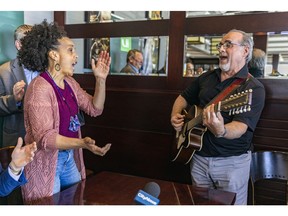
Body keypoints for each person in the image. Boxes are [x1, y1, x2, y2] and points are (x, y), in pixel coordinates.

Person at [17, 20, 112, 202]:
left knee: (75, 201)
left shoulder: (69, 83)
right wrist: (81, 143)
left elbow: (95, 108)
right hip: (45, 162)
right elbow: (46, 139)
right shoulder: (39, 89)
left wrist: (100, 80)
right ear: (54, 55)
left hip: (68, 158)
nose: (75, 56)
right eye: (70, 50)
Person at [170, 29, 265, 205]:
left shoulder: (253, 89)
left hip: (232, 164)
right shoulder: (206, 78)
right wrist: (175, 116)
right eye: (220, 45)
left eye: (228, 45)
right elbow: (182, 98)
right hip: (198, 157)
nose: (221, 49)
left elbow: (240, 127)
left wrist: (221, 130)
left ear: (245, 51)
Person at [0, 24, 38, 148]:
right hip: (17, 139)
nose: (35, 46)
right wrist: (14, 100)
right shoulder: (4, 71)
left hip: (43, 139)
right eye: (30, 41)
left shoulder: (47, 68)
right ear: (18, 45)